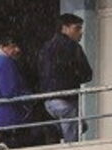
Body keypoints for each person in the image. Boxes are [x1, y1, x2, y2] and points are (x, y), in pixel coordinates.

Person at [37, 13, 94, 143]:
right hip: (67, 99)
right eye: (77, 28)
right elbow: (87, 74)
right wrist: (73, 77)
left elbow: (40, 71)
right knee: (72, 138)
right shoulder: (73, 47)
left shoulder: (45, 47)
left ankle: (53, 134)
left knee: (78, 126)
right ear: (65, 28)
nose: (81, 32)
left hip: (48, 101)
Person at [0, 36, 32, 149]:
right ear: (2, 47)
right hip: (7, 117)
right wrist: (27, 99)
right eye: (12, 47)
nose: (17, 50)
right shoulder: (5, 63)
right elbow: (9, 92)